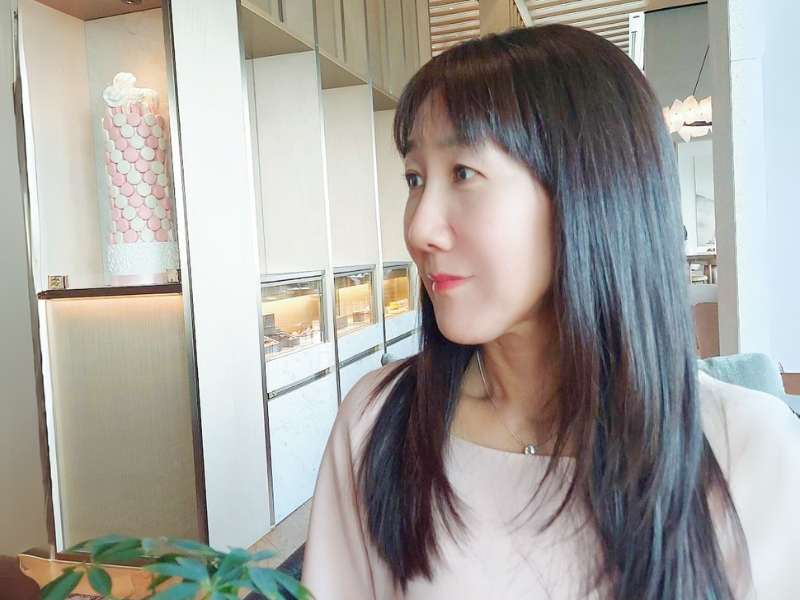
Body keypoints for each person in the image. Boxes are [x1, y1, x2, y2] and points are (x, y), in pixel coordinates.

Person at [301, 25, 800, 599]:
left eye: (463, 173)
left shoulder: (746, 448)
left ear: (590, 191)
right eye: (415, 178)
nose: (418, 229)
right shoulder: (377, 424)